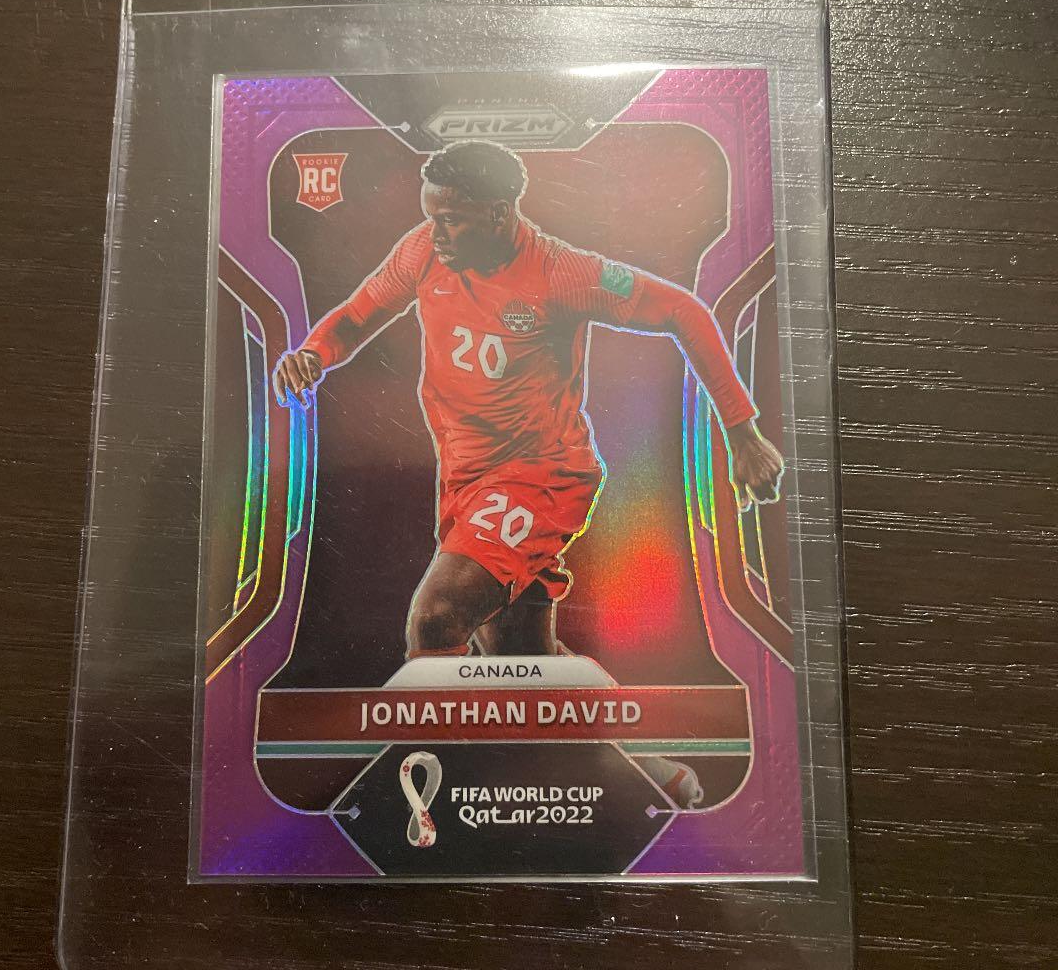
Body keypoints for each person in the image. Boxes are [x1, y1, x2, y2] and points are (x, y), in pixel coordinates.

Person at [273, 141, 784, 805]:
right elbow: (357, 315)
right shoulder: (425, 250)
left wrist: (742, 432)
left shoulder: (563, 274)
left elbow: (684, 311)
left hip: (539, 478)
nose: (436, 231)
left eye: (452, 218)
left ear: (499, 213)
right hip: (464, 481)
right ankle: (657, 772)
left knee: (437, 617)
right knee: (526, 662)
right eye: (431, 216)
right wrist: (314, 353)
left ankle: (430, 802)